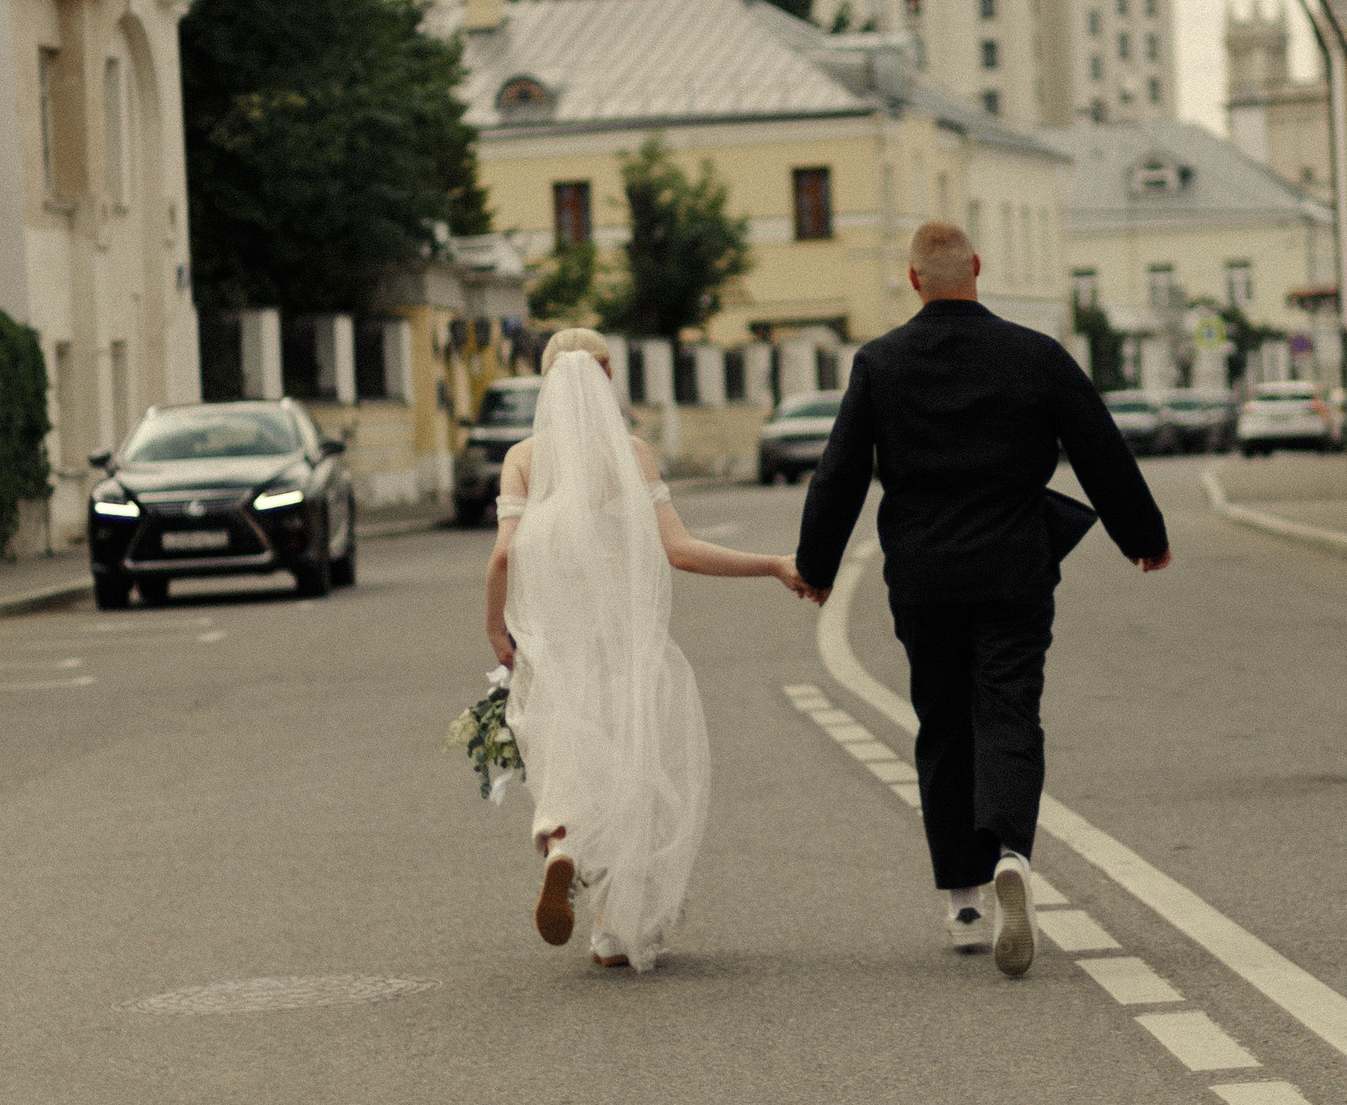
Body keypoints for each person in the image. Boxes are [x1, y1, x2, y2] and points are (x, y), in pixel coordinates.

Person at [795, 220, 1170, 977]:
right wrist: (1142, 534)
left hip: (924, 574)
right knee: (1008, 708)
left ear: (911, 280)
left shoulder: (880, 362)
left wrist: (817, 563)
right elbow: (1099, 445)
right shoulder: (1035, 355)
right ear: (977, 268)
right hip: (1013, 568)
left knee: (941, 720)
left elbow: (840, 471)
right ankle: (1012, 852)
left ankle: (965, 900)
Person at [485, 326, 817, 970]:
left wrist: (497, 631)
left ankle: (560, 847)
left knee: (564, 755)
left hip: (557, 647)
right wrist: (774, 563)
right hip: (631, 649)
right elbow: (681, 551)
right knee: (635, 771)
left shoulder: (523, 458)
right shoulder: (633, 455)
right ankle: (613, 927)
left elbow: (503, 555)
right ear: (607, 380)